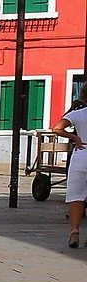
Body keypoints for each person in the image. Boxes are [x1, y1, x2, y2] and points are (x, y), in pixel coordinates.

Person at [64, 94, 87, 248]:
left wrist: (74, 137)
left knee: (76, 195)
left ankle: (74, 230)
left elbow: (56, 128)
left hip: (82, 152)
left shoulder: (77, 113)